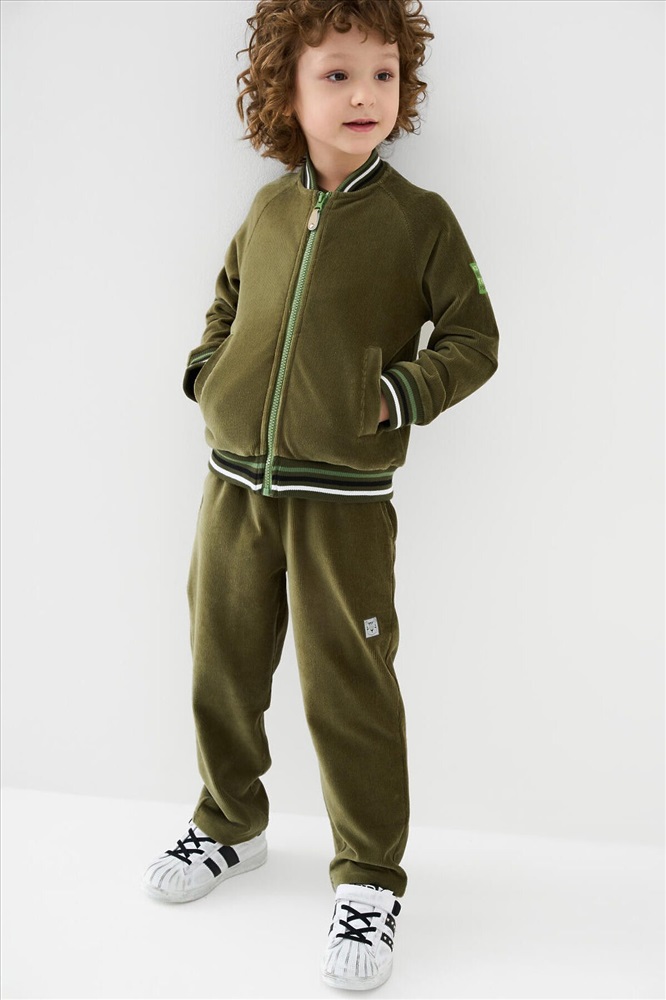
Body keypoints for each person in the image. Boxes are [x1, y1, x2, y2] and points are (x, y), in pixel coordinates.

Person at [142, 0, 499, 990]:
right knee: (220, 659)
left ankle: (370, 877)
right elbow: (226, 302)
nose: (363, 94)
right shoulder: (265, 210)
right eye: (336, 74)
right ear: (285, 93)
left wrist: (395, 395)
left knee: (350, 686)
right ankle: (229, 822)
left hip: (344, 498)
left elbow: (474, 338)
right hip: (232, 486)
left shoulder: (420, 220)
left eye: (382, 73)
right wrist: (208, 375)